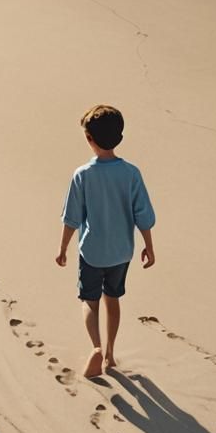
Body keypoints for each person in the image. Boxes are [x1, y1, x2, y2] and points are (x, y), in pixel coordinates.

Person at [55, 105, 156, 378]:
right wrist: (149, 246)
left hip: (91, 252)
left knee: (90, 301)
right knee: (113, 299)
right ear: (119, 138)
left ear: (89, 138)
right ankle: (110, 354)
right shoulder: (131, 173)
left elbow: (72, 217)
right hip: (122, 252)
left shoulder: (83, 175)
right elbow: (143, 214)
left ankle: (97, 347)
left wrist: (63, 248)